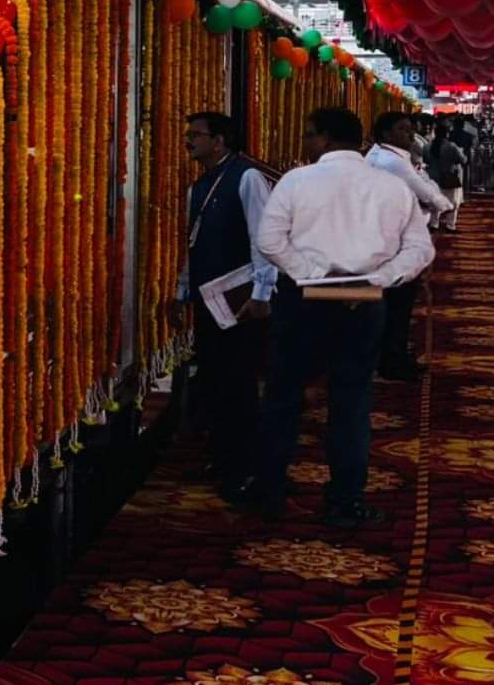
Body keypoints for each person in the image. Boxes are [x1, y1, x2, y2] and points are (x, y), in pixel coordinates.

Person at [250, 107, 435, 528]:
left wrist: (313, 275)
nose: (305, 144)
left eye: (308, 136)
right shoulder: (391, 186)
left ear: (325, 139)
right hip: (363, 301)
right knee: (351, 403)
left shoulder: (297, 180)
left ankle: (270, 489)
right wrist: (379, 278)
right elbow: (420, 249)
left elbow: (268, 240)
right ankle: (344, 500)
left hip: (303, 301)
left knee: (283, 398)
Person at [171, 111, 274, 500]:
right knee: (215, 379)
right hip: (207, 299)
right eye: (188, 134)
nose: (189, 141)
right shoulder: (198, 187)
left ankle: (245, 465)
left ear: (220, 141)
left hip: (241, 301)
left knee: (239, 383)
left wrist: (262, 294)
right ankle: (223, 455)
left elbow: (262, 239)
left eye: (196, 135)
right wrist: (182, 292)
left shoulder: (245, 178)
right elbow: (192, 245)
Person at [366, 112, 449, 381]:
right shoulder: (392, 161)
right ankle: (392, 358)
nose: (410, 135)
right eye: (402, 130)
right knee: (398, 300)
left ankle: (390, 355)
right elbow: (427, 193)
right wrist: (442, 204)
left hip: (386, 234)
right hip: (396, 238)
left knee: (394, 300)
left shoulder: (387, 156)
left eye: (411, 129)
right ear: (385, 134)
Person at [425, 117, 468, 231]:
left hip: (432, 177)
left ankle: (434, 223)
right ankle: (450, 225)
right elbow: (462, 160)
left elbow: (425, 160)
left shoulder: (428, 146)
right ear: (447, 134)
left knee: (435, 200)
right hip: (449, 176)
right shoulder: (451, 146)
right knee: (453, 202)